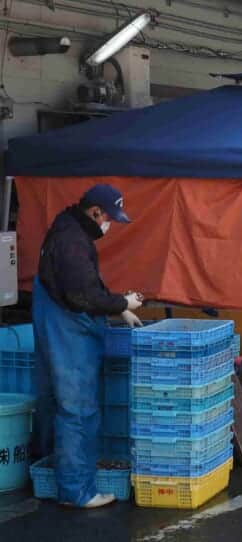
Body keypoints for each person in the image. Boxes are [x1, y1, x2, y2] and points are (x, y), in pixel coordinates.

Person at [32, 184, 142, 509]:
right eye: (109, 218)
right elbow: (83, 294)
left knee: (66, 406)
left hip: (63, 325)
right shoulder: (71, 241)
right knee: (77, 409)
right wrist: (122, 302)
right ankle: (78, 491)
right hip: (68, 331)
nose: (108, 226)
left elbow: (85, 285)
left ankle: (70, 482)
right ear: (95, 212)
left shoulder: (69, 228)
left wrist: (117, 308)